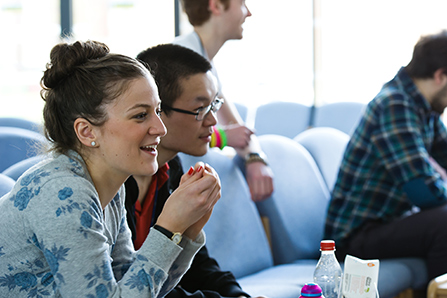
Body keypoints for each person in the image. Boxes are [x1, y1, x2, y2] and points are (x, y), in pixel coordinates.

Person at [0, 40, 221, 297]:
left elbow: (132, 286)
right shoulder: (63, 192)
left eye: (158, 111)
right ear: (86, 131)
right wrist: (168, 227)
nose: (160, 128)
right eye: (141, 115)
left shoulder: (111, 189)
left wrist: (187, 231)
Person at [324, 23, 447, 282]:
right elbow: (422, 188)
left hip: (388, 224)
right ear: (440, 75)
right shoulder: (394, 105)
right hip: (355, 237)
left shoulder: (422, 109)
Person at [131, 43, 264, 298]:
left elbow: (197, 267)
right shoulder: (115, 182)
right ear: (157, 110)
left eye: (214, 105)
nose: (213, 121)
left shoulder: (172, 169)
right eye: (200, 109)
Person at [173, 0, 273, 202]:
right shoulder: (181, 61)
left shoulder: (202, 63)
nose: (249, 13)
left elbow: (238, 129)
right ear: (216, 5)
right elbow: (169, 136)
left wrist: (255, 158)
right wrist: (223, 138)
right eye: (242, 3)